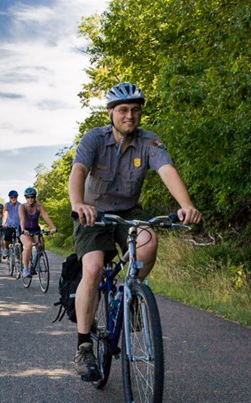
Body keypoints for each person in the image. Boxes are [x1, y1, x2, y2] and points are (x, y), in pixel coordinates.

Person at [68, 82, 202, 381]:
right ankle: (84, 345)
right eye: (124, 110)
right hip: (93, 211)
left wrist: (186, 205)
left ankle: (130, 296)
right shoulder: (94, 139)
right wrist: (78, 203)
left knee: (148, 241)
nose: (130, 115)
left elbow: (167, 169)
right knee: (93, 267)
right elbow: (77, 170)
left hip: (128, 211)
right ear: (111, 113)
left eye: (136, 110)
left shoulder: (149, 141)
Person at [18, 187, 57, 278]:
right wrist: (23, 229)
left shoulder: (39, 207)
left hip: (35, 229)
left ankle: (35, 265)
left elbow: (46, 216)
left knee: (41, 245)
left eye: (32, 197)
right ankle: (25, 269)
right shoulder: (22, 207)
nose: (30, 199)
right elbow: (22, 219)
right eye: (28, 197)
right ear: (25, 198)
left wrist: (53, 227)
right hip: (25, 229)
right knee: (28, 245)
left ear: (35, 197)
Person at [2, 190, 21, 258]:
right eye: (12, 197)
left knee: (21, 238)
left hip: (18, 225)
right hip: (9, 224)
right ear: (9, 198)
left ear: (17, 197)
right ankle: (6, 249)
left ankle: (19, 252)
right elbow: (5, 214)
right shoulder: (7, 205)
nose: (13, 199)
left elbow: (22, 216)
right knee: (7, 237)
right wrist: (4, 223)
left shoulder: (20, 205)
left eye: (15, 197)